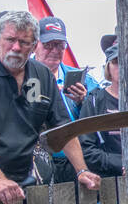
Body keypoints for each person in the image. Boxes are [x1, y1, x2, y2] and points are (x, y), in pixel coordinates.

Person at [0, 11, 100, 204]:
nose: (16, 47)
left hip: (33, 181)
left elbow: (63, 128)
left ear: (33, 45)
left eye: (24, 42)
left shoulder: (42, 75)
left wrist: (82, 170)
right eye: (10, 39)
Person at [35, 16, 94, 182]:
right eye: (48, 44)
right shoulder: (23, 76)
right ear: (35, 45)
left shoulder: (84, 79)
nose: (55, 50)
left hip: (75, 161)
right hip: (37, 162)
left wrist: (83, 102)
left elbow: (98, 116)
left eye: (60, 45)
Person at [78, 40, 122, 177]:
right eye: (116, 61)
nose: (122, 66)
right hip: (109, 183)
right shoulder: (94, 101)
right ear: (108, 67)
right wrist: (122, 164)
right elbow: (87, 150)